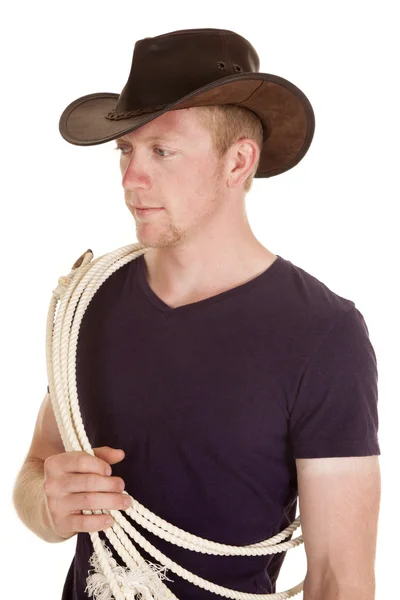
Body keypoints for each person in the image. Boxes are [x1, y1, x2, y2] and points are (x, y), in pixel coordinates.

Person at [12, 28, 381, 600]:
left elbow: (339, 580)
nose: (133, 178)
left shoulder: (322, 334)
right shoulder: (89, 302)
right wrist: (48, 505)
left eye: (162, 150)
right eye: (126, 150)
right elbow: (38, 470)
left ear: (238, 163)